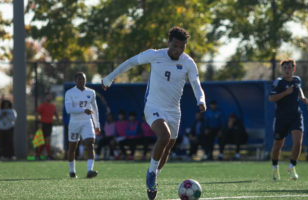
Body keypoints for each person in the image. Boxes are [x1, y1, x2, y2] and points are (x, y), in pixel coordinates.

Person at [102, 26, 206, 199]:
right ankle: (150, 174)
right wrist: (109, 78)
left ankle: (154, 178)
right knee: (163, 137)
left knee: (167, 148)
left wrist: (201, 100)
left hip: (174, 111)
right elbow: (130, 62)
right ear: (169, 43)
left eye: (181, 47)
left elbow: (196, 84)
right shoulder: (155, 55)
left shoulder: (188, 62)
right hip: (153, 106)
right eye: (175, 46)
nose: (178, 50)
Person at [269, 58, 307, 181]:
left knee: (298, 143)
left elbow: (298, 87)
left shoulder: (297, 80)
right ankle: (275, 168)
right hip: (281, 118)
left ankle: (292, 166)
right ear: (281, 69)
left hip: (296, 116)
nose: (287, 70)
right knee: (277, 145)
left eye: (289, 68)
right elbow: (271, 98)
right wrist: (286, 93)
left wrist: (302, 96)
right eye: (285, 68)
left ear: (293, 69)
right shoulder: (278, 82)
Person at [65, 72, 100, 178]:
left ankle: (90, 170)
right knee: (72, 148)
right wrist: (83, 110)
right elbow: (68, 109)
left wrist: (97, 124)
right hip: (74, 123)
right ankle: (72, 171)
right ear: (75, 81)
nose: (82, 81)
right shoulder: (70, 93)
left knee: (90, 144)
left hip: (87, 122)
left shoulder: (91, 92)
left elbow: (95, 109)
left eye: (84, 79)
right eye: (79, 79)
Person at [36, 93, 59, 160]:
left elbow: (56, 113)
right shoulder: (42, 105)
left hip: (50, 124)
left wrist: (58, 120)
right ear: (46, 97)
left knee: (45, 141)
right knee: (47, 140)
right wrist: (38, 122)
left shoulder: (53, 106)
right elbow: (37, 113)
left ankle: (38, 155)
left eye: (50, 96)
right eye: (48, 96)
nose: (49, 97)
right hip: (44, 124)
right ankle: (48, 155)